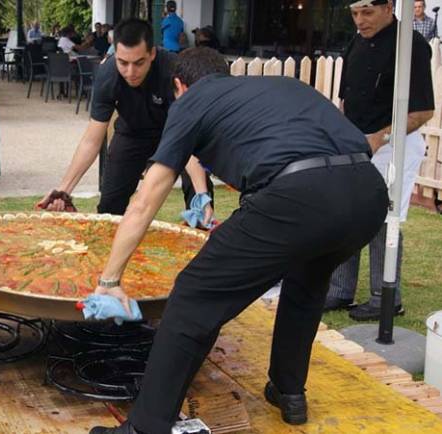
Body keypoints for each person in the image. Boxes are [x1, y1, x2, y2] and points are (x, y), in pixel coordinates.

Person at [89, 47, 389, 434]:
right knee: (307, 283)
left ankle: (145, 428)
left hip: (299, 195)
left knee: (194, 295)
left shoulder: (191, 101)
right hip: (367, 193)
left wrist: (110, 281)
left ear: (180, 86)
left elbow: (145, 200)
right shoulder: (280, 87)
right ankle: (289, 390)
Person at [325, 0, 434, 321]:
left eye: (368, 13)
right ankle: (341, 289)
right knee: (347, 215)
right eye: (355, 14)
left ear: (389, 8)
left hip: (395, 144)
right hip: (357, 144)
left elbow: (422, 112)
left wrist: (378, 138)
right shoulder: (357, 40)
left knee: (384, 221)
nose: (360, 21)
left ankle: (385, 297)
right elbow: (347, 97)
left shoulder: (411, 45)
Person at [38, 19, 211, 218]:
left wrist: (202, 194)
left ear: (152, 53)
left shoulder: (173, 72)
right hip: (132, 134)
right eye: (123, 63)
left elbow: (187, 139)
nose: (130, 72)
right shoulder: (108, 75)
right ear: (115, 54)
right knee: (109, 207)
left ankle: (202, 226)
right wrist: (64, 190)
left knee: (200, 195)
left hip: (174, 134)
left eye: (138, 63)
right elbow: (92, 140)